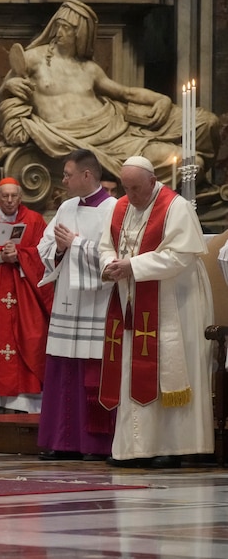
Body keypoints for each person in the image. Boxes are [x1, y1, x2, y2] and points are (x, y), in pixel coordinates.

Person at [0, 0, 219, 182]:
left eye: (67, 28)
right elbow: (5, 90)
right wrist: (10, 85)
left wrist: (162, 99)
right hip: (72, 139)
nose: (59, 32)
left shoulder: (90, 69)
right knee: (190, 162)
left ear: (81, 33)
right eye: (58, 25)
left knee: (204, 129)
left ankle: (177, 202)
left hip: (118, 134)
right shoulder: (35, 58)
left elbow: (126, 93)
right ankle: (153, 202)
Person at [98, 156, 214, 468]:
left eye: (136, 188)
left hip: (176, 299)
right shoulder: (120, 206)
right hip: (133, 299)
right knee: (132, 367)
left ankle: (175, 447)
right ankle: (135, 447)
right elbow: (105, 245)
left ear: (152, 181)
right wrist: (108, 265)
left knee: (170, 366)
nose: (130, 195)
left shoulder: (176, 207)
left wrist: (132, 266)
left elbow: (181, 257)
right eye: (126, 188)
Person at [36, 150, 116, 460]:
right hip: (68, 301)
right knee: (63, 372)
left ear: (87, 175)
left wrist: (76, 244)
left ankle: (95, 445)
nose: (64, 180)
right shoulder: (66, 207)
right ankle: (63, 442)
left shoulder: (114, 209)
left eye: (69, 174)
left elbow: (115, 256)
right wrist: (57, 248)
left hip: (97, 304)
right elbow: (45, 246)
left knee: (91, 376)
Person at [0, 177, 52, 414]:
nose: (10, 200)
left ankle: (26, 405)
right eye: (5, 196)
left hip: (25, 295)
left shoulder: (34, 221)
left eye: (14, 196)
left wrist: (21, 255)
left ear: (21, 197)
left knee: (30, 338)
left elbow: (45, 254)